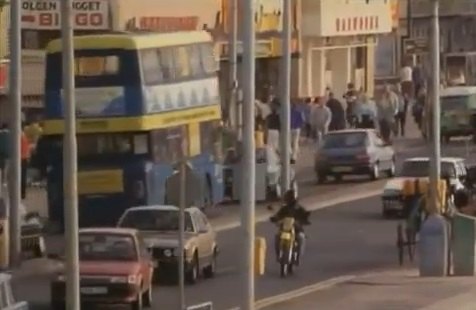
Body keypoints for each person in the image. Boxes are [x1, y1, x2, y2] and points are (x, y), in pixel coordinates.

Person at [270, 189, 310, 264]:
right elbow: (278, 215)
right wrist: (275, 219)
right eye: (289, 198)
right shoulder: (284, 208)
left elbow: (305, 215)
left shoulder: (299, 208)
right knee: (277, 237)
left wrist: (303, 220)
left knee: (301, 238)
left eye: (291, 198)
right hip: (284, 230)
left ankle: (297, 256)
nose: (290, 200)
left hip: (296, 230)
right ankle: (278, 254)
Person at [20, 126, 31, 200]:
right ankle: (23, 193)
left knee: (18, 177)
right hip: (24, 158)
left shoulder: (17, 136)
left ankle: (19, 193)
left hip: (19, 158)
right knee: (23, 177)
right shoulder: (24, 135)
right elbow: (27, 147)